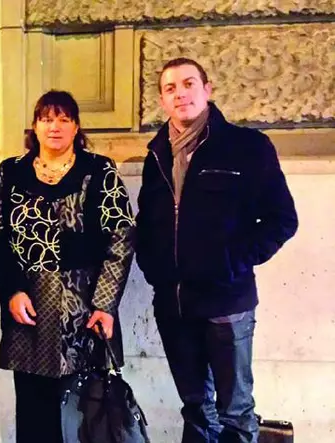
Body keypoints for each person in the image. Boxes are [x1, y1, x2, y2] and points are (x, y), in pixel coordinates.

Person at [135, 57, 298, 443]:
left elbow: (282, 220)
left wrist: (230, 263)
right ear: (162, 99)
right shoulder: (157, 153)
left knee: (236, 413)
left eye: (189, 84)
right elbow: (148, 221)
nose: (181, 94)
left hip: (227, 305)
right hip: (174, 306)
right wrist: (153, 267)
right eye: (170, 88)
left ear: (207, 90)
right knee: (195, 410)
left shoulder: (247, 147)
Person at [0, 90, 136, 443]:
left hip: (84, 311)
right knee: (34, 413)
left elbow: (121, 237)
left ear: (77, 126)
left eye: (64, 119)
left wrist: (105, 306)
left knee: (82, 414)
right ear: (34, 126)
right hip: (28, 309)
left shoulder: (98, 171)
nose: (55, 127)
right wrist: (12, 290)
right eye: (47, 119)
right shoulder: (12, 172)